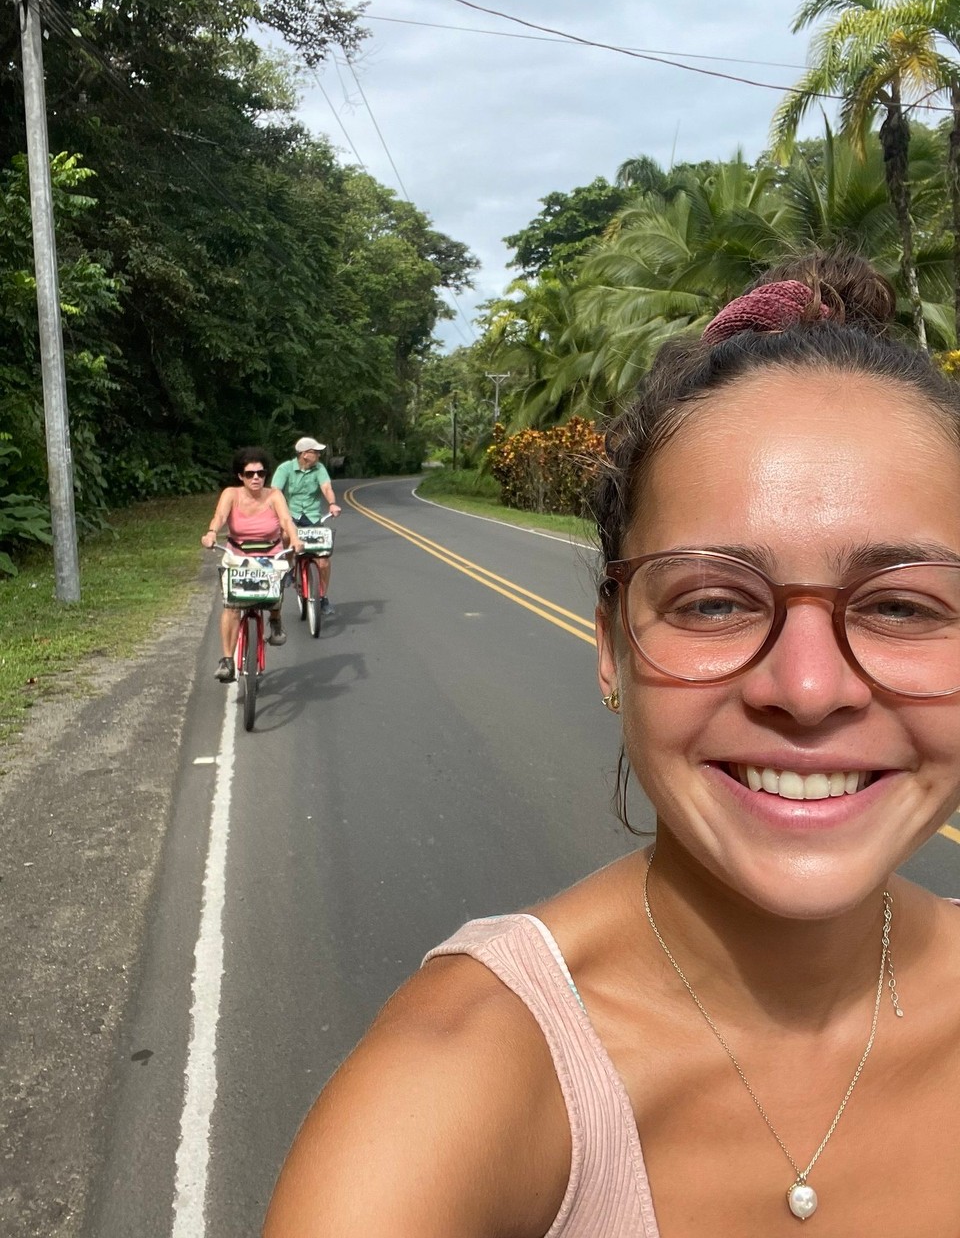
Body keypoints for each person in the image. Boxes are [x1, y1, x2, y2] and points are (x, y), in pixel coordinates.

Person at [263, 253, 960, 1237]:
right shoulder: (455, 1083)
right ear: (610, 646)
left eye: (900, 606)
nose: (808, 690)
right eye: (712, 601)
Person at [201, 447, 303, 682]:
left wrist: (295, 539)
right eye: (249, 474)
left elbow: (286, 520)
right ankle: (227, 661)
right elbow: (219, 517)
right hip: (238, 555)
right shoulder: (231, 494)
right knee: (232, 605)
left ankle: (275, 619)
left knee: (273, 594)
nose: (256, 478)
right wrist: (211, 533)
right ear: (240, 476)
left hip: (270, 555)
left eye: (261, 473)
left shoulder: (274, 495)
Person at [271, 437, 342, 615]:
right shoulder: (285, 468)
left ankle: (322, 596)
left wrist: (332, 503)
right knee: (286, 536)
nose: (318, 455)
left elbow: (326, 487)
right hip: (291, 515)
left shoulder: (319, 469)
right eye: (315, 452)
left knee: (323, 560)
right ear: (304, 454)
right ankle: (289, 567)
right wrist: (277, 511)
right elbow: (275, 492)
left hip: (312, 516)